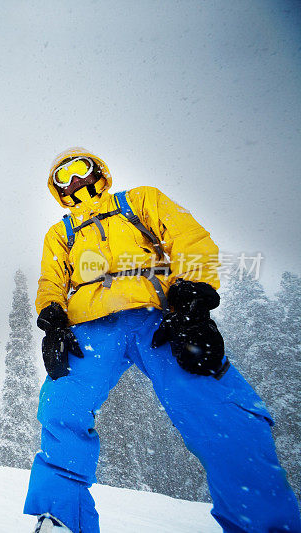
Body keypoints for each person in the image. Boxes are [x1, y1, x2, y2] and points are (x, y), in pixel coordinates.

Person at [26, 148, 301, 533]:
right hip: (91, 328)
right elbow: (51, 279)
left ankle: (263, 523)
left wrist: (192, 298)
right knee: (61, 409)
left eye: (80, 169)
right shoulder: (62, 232)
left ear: (98, 172)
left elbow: (188, 238)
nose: (74, 181)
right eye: (63, 177)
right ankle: (61, 519)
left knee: (216, 408)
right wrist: (53, 319)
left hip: (159, 317)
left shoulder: (139, 201)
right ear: (57, 190)